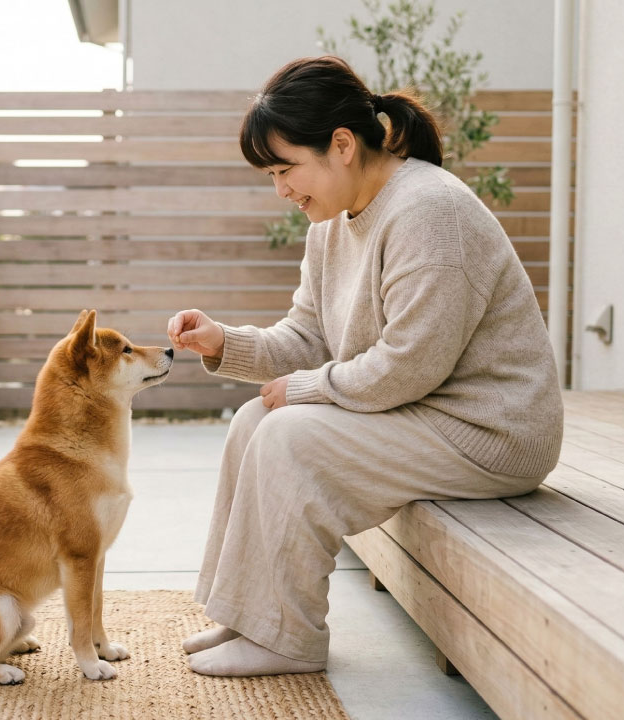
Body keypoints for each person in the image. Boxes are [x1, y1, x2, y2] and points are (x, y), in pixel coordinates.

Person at [166, 56, 563, 678]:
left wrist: (307, 389)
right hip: (420, 412)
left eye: (285, 169)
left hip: (489, 431)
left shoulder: (430, 211)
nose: (281, 190)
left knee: (290, 437)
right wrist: (223, 343)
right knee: (252, 423)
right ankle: (249, 616)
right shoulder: (329, 225)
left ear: (343, 146)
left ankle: (287, 639)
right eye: (271, 175)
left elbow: (410, 365)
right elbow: (309, 338)